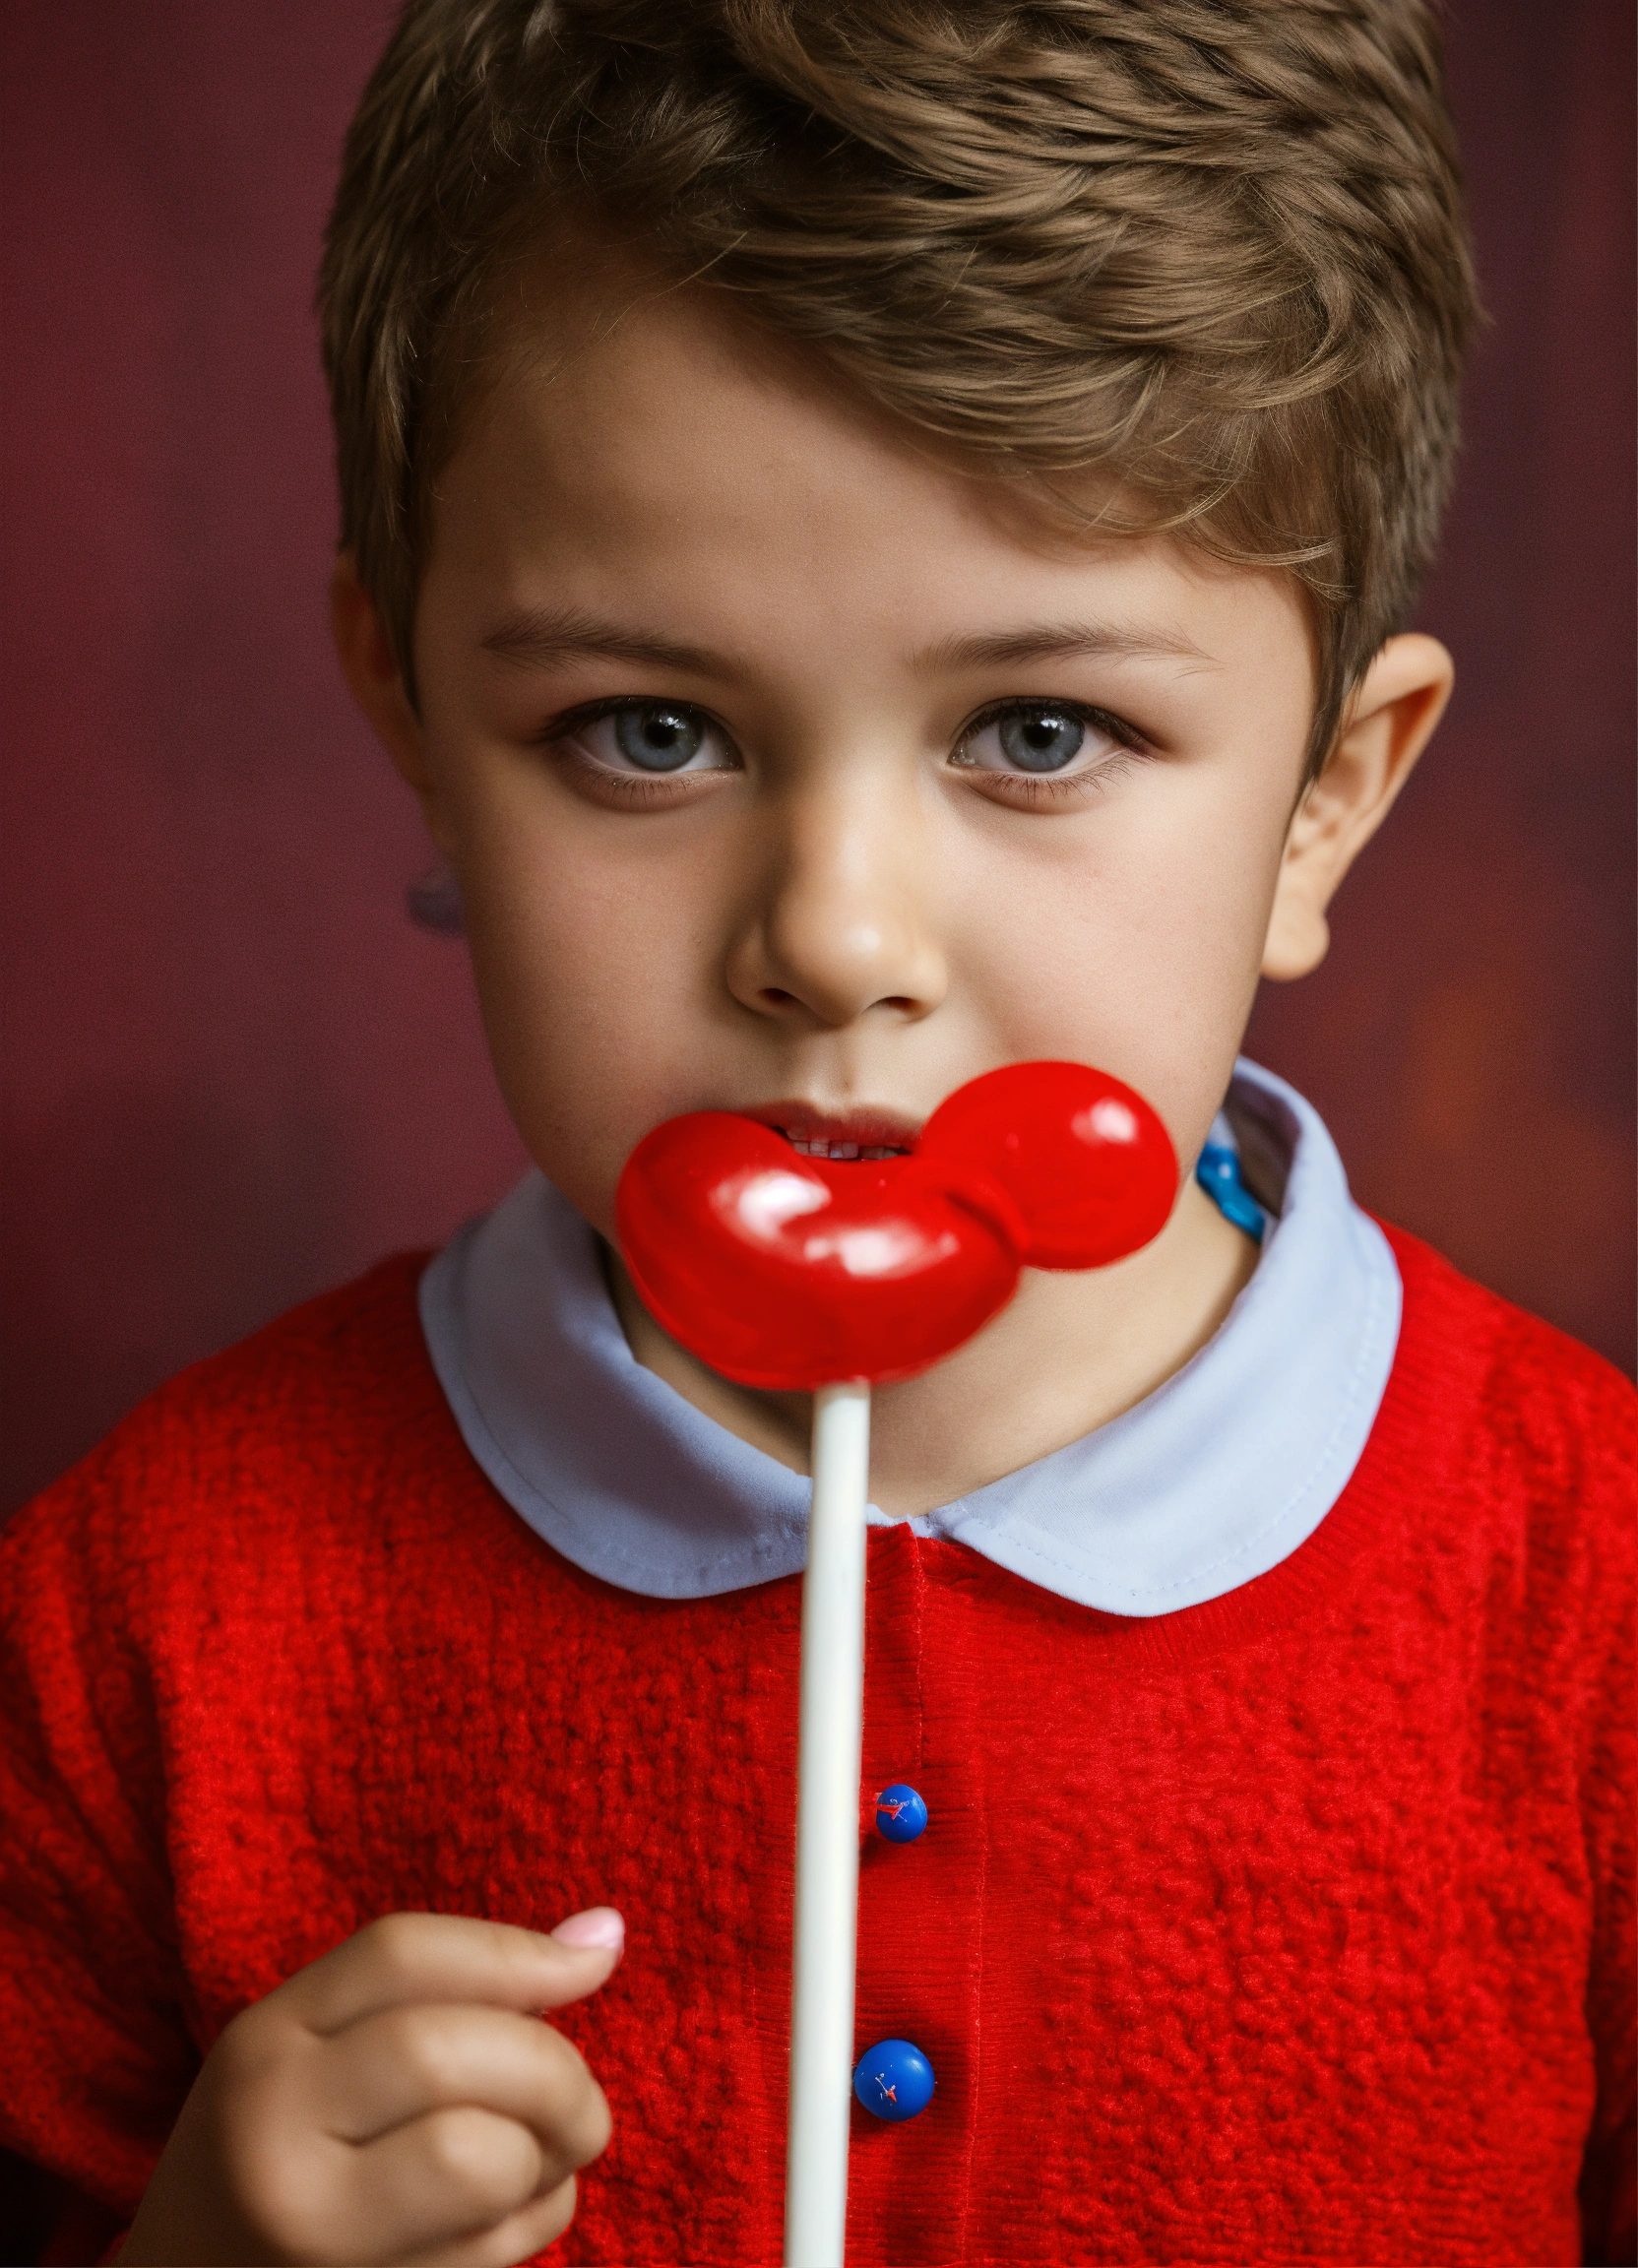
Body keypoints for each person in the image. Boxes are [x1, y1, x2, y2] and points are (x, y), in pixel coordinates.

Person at [1, 3, 1631, 2263]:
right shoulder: (135, 1624)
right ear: (412, 717)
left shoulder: (1591, 1614)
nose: (834, 940)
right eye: (647, 729)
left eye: (1038, 731)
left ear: (1321, 803)